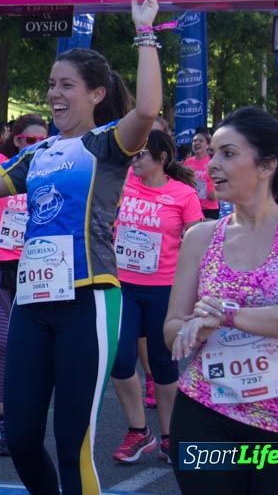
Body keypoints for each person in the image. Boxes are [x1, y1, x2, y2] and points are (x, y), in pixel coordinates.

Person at [0, 0, 163, 495]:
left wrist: (145, 31)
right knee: (22, 438)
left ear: (95, 93)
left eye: (66, 85)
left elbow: (149, 111)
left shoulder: (108, 142)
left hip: (88, 301)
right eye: (51, 84)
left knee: (73, 444)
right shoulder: (36, 153)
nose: (54, 94)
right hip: (33, 304)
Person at [166, 107, 278, 493]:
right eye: (213, 153)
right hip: (205, 417)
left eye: (228, 154)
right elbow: (171, 328)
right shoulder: (200, 237)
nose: (212, 165)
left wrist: (227, 316)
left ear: (267, 165)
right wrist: (191, 330)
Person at [108, 130, 202, 464]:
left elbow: (197, 242)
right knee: (119, 361)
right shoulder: (121, 183)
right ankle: (138, 431)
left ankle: (168, 436)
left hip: (165, 289)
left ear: (162, 159)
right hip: (123, 286)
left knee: (164, 365)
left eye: (142, 154)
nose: (135, 159)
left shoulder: (183, 195)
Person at [0, 113, 49, 456]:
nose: (36, 147)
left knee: (33, 347)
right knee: (5, 340)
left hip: (34, 267)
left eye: (42, 141)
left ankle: (24, 418)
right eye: (28, 140)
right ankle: (4, 419)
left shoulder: (51, 169)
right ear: (16, 139)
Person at [183, 128, 218, 219]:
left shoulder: (213, 162)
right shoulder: (188, 162)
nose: (196, 143)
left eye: (201, 141)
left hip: (209, 208)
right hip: (191, 206)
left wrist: (209, 191)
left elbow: (216, 191)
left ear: (208, 145)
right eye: (194, 141)